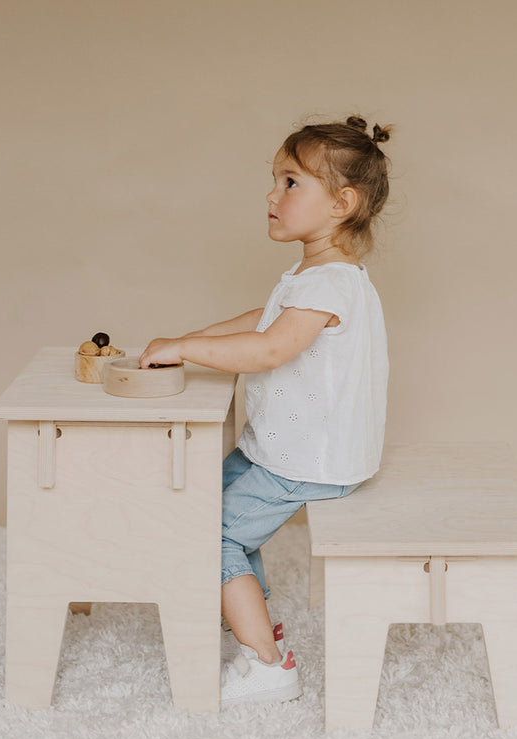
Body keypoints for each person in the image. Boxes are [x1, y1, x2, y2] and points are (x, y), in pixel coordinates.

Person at [139, 115, 391, 708]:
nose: (273, 196)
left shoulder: (328, 283)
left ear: (342, 204)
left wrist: (186, 350)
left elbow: (269, 348)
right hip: (279, 451)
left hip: (307, 461)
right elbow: (264, 319)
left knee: (206, 534)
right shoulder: (317, 275)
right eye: (275, 180)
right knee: (197, 501)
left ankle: (269, 665)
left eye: (291, 182)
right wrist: (190, 339)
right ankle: (250, 616)